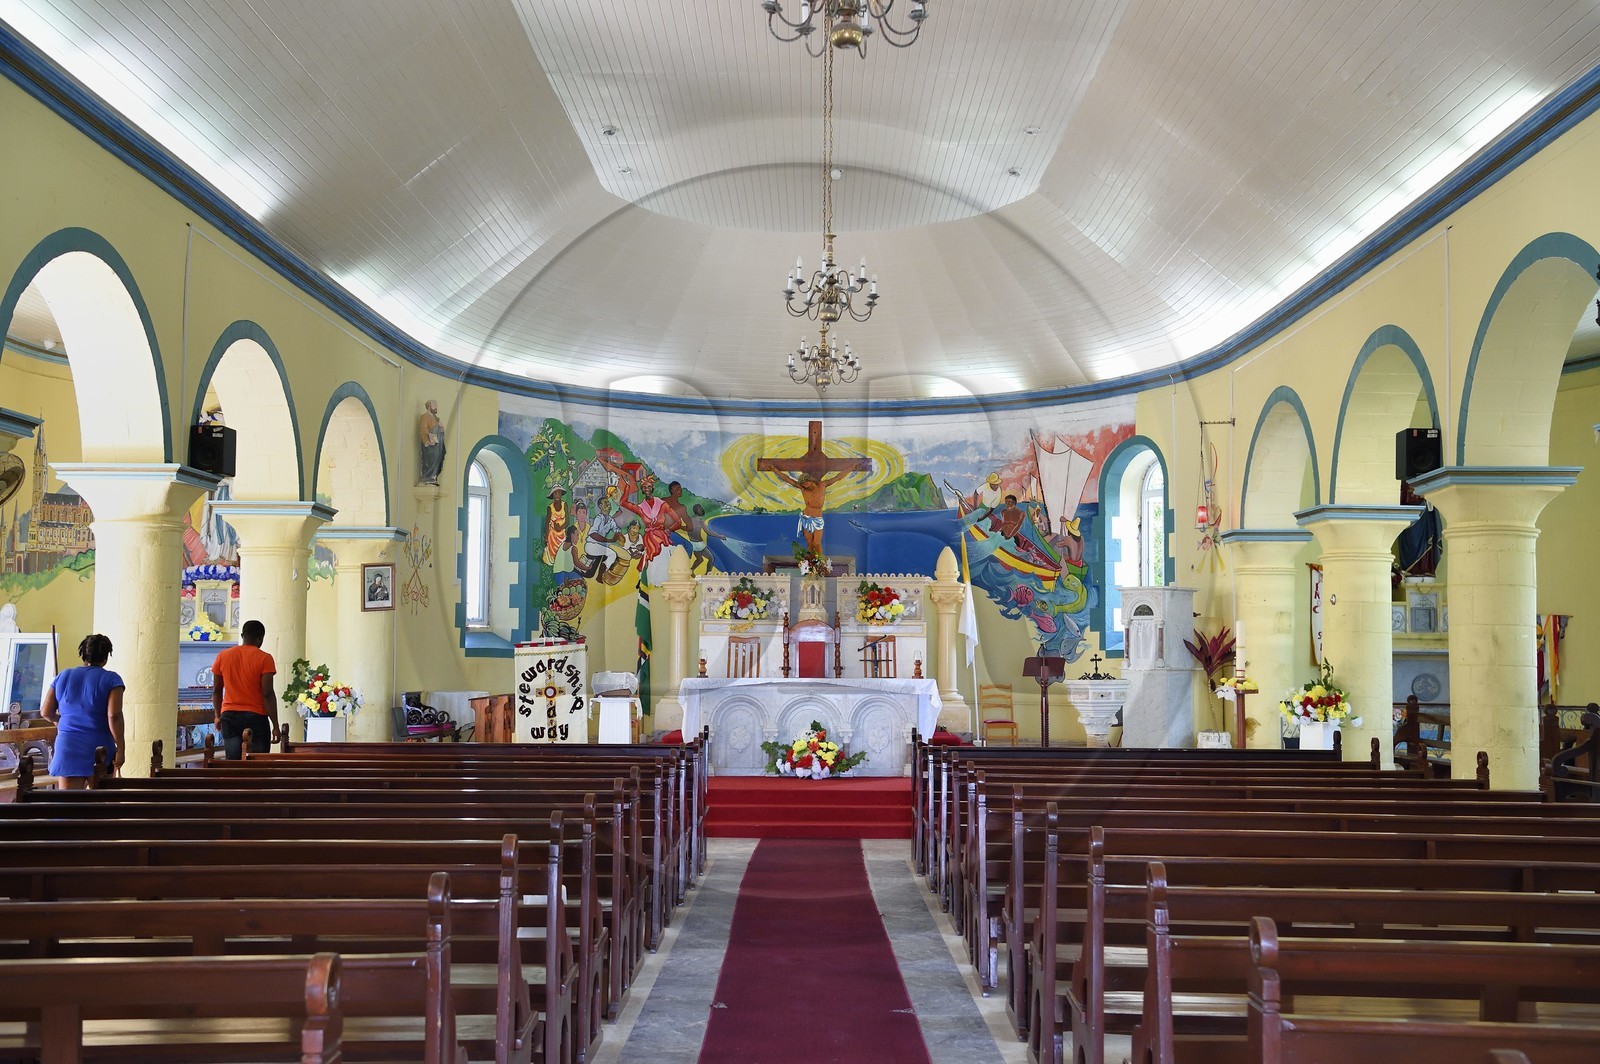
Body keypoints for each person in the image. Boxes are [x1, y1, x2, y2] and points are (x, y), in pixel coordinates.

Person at [40, 633, 125, 787]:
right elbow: (114, 715)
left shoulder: (63, 676)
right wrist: (121, 748)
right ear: (106, 657)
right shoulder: (112, 679)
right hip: (100, 748)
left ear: (83, 655)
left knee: (69, 807)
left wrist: (60, 721)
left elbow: (45, 712)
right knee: (102, 806)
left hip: (68, 746)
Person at [212, 619, 278, 759]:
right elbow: (267, 693)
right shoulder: (265, 658)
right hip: (256, 716)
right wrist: (275, 725)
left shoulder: (223, 656)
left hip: (229, 715)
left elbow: (217, 691)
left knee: (233, 761)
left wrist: (217, 716)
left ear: (242, 635)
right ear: (260, 638)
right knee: (259, 761)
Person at [772, 468, 850, 554]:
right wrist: (774, 469)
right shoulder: (803, 489)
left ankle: (820, 564)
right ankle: (809, 564)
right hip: (806, 518)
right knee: (809, 543)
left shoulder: (822, 485)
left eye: (805, 484)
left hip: (817, 520)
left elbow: (837, 477)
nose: (805, 486)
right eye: (803, 485)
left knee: (817, 543)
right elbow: (787, 479)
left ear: (810, 480)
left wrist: (851, 468)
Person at [418, 399, 446, 485]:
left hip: (438, 445)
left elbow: (441, 431)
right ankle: (428, 477)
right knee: (430, 460)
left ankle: (434, 476)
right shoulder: (424, 416)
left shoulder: (436, 419)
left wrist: (441, 429)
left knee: (438, 459)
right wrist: (427, 441)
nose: (436, 407)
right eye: (434, 405)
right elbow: (423, 429)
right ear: (429, 406)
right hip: (430, 445)